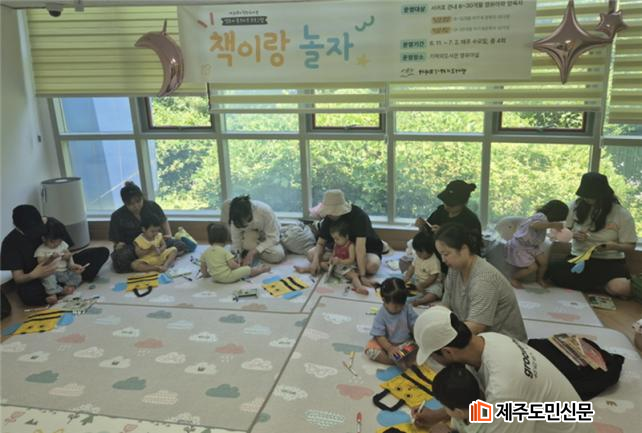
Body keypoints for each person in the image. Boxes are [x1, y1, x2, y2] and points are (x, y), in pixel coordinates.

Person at [412, 306, 593, 433]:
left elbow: (502, 406)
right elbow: (488, 407)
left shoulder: (504, 390)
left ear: (447, 351)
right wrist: (440, 414)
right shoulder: (487, 340)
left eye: (433, 357)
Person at [547, 172, 637, 297]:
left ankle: (596, 285)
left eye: (592, 197)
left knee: (620, 288)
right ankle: (599, 286)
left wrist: (613, 246)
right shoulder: (576, 205)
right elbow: (562, 229)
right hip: (579, 258)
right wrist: (574, 235)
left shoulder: (621, 214)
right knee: (553, 271)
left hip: (610, 262)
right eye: (585, 196)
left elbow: (631, 246)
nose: (588, 199)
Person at [1, 205, 109, 306]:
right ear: (17, 226)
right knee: (27, 293)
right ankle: (62, 288)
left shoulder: (53, 224)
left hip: (63, 267)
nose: (36, 233)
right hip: (40, 278)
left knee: (101, 252)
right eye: (30, 232)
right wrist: (34, 274)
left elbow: (66, 250)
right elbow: (18, 278)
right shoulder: (10, 243)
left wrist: (70, 262)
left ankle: (62, 288)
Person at [435, 223, 527, 341]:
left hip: (504, 341)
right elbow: (445, 305)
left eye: (446, 254)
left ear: (464, 249)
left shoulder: (484, 279)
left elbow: (476, 326)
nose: (443, 260)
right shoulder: (454, 269)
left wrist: (443, 337)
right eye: (441, 255)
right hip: (475, 334)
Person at [307, 190, 384, 285]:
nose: (330, 214)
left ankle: (351, 268)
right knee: (311, 255)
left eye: (332, 211)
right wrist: (315, 262)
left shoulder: (359, 216)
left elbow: (360, 249)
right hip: (340, 249)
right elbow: (320, 243)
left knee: (372, 266)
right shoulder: (328, 218)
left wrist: (363, 276)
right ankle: (349, 268)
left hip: (365, 247)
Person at [109, 182, 186, 273]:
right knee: (120, 260)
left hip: (156, 242)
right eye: (131, 204)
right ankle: (152, 263)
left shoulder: (152, 206)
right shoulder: (117, 215)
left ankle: (146, 263)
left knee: (180, 245)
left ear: (142, 198)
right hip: (134, 247)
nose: (136, 206)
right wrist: (117, 245)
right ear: (125, 203)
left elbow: (163, 220)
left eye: (138, 201)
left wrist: (168, 234)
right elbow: (115, 238)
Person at [417, 180, 483, 273]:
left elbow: (471, 246)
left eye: (452, 205)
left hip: (459, 264)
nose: (447, 206)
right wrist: (422, 226)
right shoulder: (440, 211)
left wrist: (444, 234)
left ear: (463, 203)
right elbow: (428, 230)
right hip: (437, 261)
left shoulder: (470, 220)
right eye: (445, 202)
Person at [506, 200, 569, 288]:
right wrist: (553, 224)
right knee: (533, 268)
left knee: (544, 262)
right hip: (521, 245)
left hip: (532, 246)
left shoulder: (545, 220)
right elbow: (534, 225)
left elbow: (541, 232)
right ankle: (514, 278)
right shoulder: (540, 216)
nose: (558, 220)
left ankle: (539, 279)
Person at [295, 221, 367, 294]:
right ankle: (306, 269)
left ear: (346, 236)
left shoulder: (350, 246)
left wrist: (340, 261)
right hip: (335, 266)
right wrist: (331, 259)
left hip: (346, 267)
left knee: (354, 276)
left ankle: (359, 287)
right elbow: (333, 254)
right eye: (334, 239)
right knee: (322, 264)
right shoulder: (336, 244)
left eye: (337, 239)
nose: (335, 241)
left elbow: (351, 260)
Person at [365, 278, 418, 370]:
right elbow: (379, 336)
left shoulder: (407, 308)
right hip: (386, 344)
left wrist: (417, 336)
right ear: (384, 300)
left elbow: (414, 323)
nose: (400, 308)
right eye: (396, 306)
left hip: (405, 343)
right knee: (370, 350)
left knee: (417, 345)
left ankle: (399, 358)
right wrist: (389, 348)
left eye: (402, 304)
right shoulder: (381, 315)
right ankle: (395, 360)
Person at [200, 222, 271, 284]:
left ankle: (257, 269)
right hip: (228, 277)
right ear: (225, 239)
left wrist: (206, 275)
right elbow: (233, 266)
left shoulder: (205, 252)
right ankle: (261, 270)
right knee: (247, 269)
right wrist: (240, 267)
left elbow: (203, 267)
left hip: (215, 278)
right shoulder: (224, 251)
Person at [34, 219, 84, 304]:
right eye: (52, 242)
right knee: (48, 279)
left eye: (59, 241)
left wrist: (71, 264)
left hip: (65, 271)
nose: (56, 244)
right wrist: (50, 258)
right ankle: (53, 294)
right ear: (44, 239)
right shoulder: (41, 249)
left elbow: (69, 254)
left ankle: (68, 287)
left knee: (77, 275)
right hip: (52, 272)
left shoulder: (62, 244)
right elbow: (40, 262)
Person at [227, 195, 286, 265]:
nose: (244, 223)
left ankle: (250, 252)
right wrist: (237, 257)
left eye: (245, 220)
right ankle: (248, 252)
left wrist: (253, 252)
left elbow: (273, 238)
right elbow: (236, 241)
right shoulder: (235, 217)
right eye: (241, 223)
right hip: (250, 236)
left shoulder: (265, 211)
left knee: (278, 255)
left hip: (267, 236)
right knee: (243, 245)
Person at [432, 363, 483, 433]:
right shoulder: (463, 407)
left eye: (444, 406)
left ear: (459, 412)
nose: (444, 409)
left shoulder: (485, 428)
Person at [404, 231, 443, 307]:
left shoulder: (434, 261)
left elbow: (433, 277)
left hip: (432, 283)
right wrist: (407, 276)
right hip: (418, 279)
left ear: (430, 250)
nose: (417, 253)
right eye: (416, 251)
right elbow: (412, 267)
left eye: (420, 252)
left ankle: (421, 301)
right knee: (406, 280)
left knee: (435, 292)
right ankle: (410, 292)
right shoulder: (417, 257)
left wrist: (423, 285)